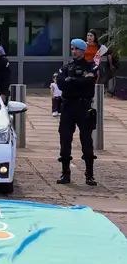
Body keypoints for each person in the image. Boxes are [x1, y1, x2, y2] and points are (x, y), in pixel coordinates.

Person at [56, 38, 99, 186]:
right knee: (65, 140)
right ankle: (65, 173)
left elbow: (89, 82)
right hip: (68, 107)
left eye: (76, 49)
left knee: (87, 141)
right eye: (72, 49)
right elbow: (61, 84)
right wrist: (78, 80)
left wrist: (71, 80)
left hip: (83, 106)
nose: (74, 51)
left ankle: (90, 175)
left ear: (83, 50)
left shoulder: (90, 66)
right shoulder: (66, 67)